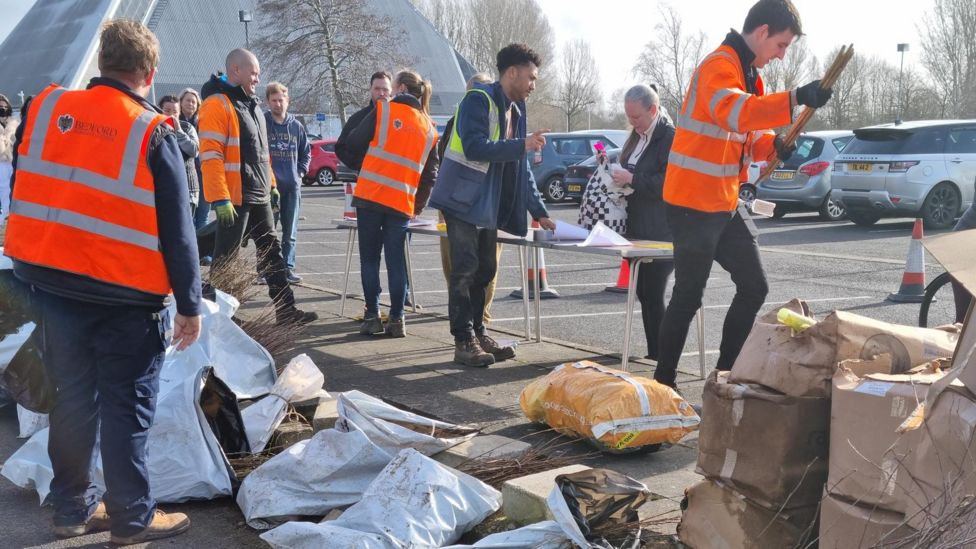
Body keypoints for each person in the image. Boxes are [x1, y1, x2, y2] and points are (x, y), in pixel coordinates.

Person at [3, 19, 201, 544]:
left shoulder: (46, 111)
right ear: (149, 73)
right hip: (125, 299)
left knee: (71, 400)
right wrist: (190, 305)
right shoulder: (153, 131)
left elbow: (29, 177)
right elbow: (178, 232)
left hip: (52, 288)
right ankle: (133, 518)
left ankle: (72, 510)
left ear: (101, 63)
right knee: (125, 407)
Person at [654, 0, 832, 389]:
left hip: (722, 201)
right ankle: (662, 384)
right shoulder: (718, 65)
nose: (782, 55)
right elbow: (736, 114)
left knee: (754, 286)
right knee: (689, 296)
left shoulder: (752, 76)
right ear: (763, 32)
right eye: (782, 45)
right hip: (691, 202)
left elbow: (747, 138)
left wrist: (773, 148)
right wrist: (796, 97)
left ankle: (724, 375)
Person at [429, 43, 556, 368]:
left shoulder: (516, 110)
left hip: (487, 205)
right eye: (531, 77)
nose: (533, 85)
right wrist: (520, 144)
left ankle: (479, 333)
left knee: (485, 270)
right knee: (465, 271)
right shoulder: (478, 99)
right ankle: (464, 340)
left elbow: (520, 164)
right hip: (462, 200)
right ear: (512, 72)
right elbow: (474, 146)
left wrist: (539, 211)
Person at [199, 48, 317, 326]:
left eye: (258, 74)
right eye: (253, 73)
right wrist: (219, 198)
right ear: (235, 71)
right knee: (225, 259)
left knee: (271, 254)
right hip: (235, 198)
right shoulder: (218, 104)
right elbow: (211, 154)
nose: (257, 79)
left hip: (259, 194)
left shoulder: (251, 105)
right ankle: (219, 317)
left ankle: (286, 310)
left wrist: (272, 184)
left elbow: (262, 154)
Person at [344, 69, 439, 337]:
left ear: (401, 89)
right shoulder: (429, 128)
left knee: (370, 260)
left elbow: (353, 141)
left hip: (371, 195)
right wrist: (416, 206)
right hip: (401, 203)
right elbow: (431, 174)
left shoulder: (384, 111)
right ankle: (397, 318)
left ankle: (372, 316)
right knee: (396, 262)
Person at [607, 84, 675, 361]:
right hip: (636, 225)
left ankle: (661, 357)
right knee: (643, 293)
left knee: (654, 292)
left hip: (662, 228)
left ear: (654, 110)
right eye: (628, 117)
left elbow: (669, 183)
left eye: (636, 117)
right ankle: (654, 353)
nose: (632, 123)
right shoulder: (635, 138)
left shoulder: (670, 138)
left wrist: (632, 179)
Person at [264, 81, 311, 283]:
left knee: (289, 233)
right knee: (268, 232)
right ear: (268, 102)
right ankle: (265, 269)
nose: (277, 104)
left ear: (287, 101)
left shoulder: (296, 126)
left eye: (280, 100)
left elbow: (306, 153)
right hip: (270, 188)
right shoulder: (263, 122)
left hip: (292, 187)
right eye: (273, 100)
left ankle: (288, 268)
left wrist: (300, 173)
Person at [336, 71, 392, 171]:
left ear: (391, 91)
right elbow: (340, 148)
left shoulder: (400, 119)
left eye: (385, 89)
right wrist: (362, 165)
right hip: (367, 180)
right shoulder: (358, 118)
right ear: (370, 89)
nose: (381, 93)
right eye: (377, 89)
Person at [159, 95, 200, 216]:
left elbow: (194, 151)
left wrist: (178, 131)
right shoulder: (155, 128)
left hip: (188, 189)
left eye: (175, 112)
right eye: (167, 111)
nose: (171, 115)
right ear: (159, 110)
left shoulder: (187, 128)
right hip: (164, 189)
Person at [179, 87, 209, 230]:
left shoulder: (204, 123)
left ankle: (204, 251)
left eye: (194, 102)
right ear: (181, 102)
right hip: (185, 173)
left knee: (203, 216)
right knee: (188, 217)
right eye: (188, 100)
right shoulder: (176, 122)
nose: (191, 104)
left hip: (203, 172)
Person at [0, 94, 17, 224]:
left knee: (9, 196)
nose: (3, 109)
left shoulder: (14, 125)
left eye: (5, 107)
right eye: (0, 107)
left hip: (10, 166)